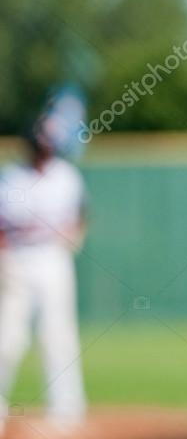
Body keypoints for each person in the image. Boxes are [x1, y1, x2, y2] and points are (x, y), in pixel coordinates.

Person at [0, 88, 87, 434]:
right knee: (8, 337)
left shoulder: (66, 176)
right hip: (17, 261)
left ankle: (66, 409)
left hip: (53, 260)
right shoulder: (10, 178)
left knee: (58, 335)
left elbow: (80, 217)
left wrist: (70, 238)